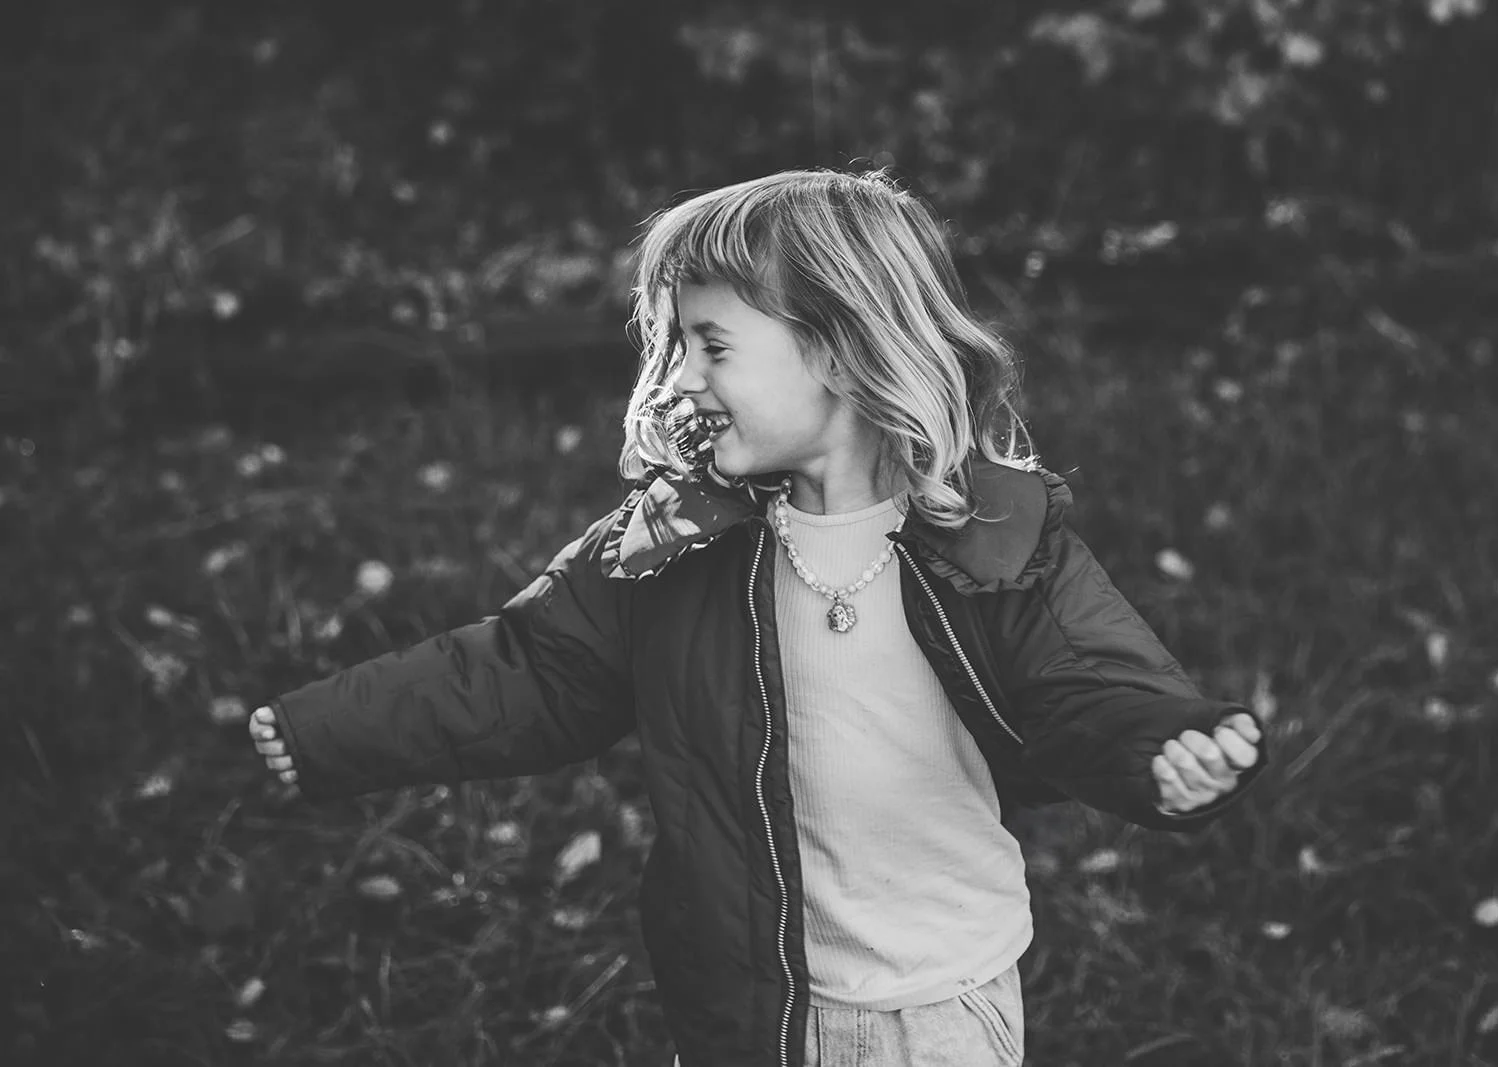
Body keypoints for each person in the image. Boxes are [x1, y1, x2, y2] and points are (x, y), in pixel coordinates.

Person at [248, 168, 1267, 1067]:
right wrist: (329, 730)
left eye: (714, 344)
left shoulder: (991, 540)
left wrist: (1160, 748)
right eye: (680, 343)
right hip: (746, 1008)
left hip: (936, 1004)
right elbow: (529, 668)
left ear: (834, 349)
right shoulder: (676, 543)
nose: (683, 374)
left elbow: (1087, 682)